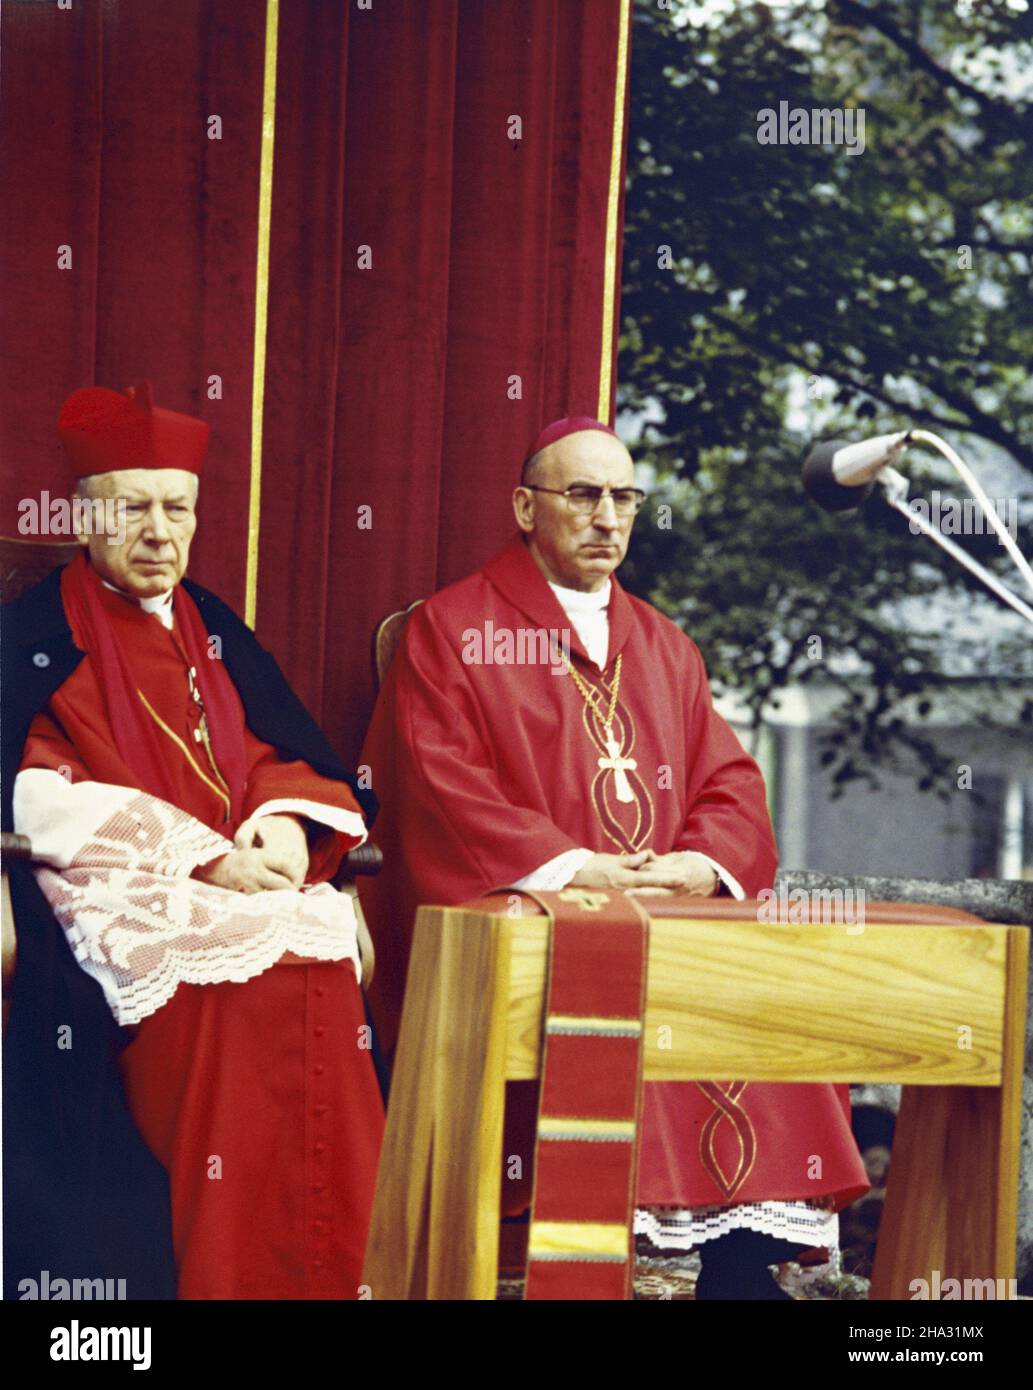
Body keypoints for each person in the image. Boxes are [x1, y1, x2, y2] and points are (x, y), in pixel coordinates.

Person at [359, 415, 869, 1299]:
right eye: (582, 494)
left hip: (663, 909)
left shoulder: (664, 644)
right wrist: (570, 867)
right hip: (537, 909)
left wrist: (700, 866)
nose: (607, 517)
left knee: (756, 980)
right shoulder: (453, 629)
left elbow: (732, 786)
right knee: (621, 965)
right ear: (526, 507)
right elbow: (437, 784)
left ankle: (739, 1266)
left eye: (623, 498)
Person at [3, 383, 383, 1300]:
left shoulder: (213, 625)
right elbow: (31, 793)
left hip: (243, 876)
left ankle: (333, 1272)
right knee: (232, 991)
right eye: (134, 508)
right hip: (106, 884)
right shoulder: (34, 634)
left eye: (177, 508)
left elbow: (276, 750)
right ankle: (227, 1273)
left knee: (317, 967)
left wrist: (286, 832)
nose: (159, 531)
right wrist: (203, 857)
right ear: (86, 514)